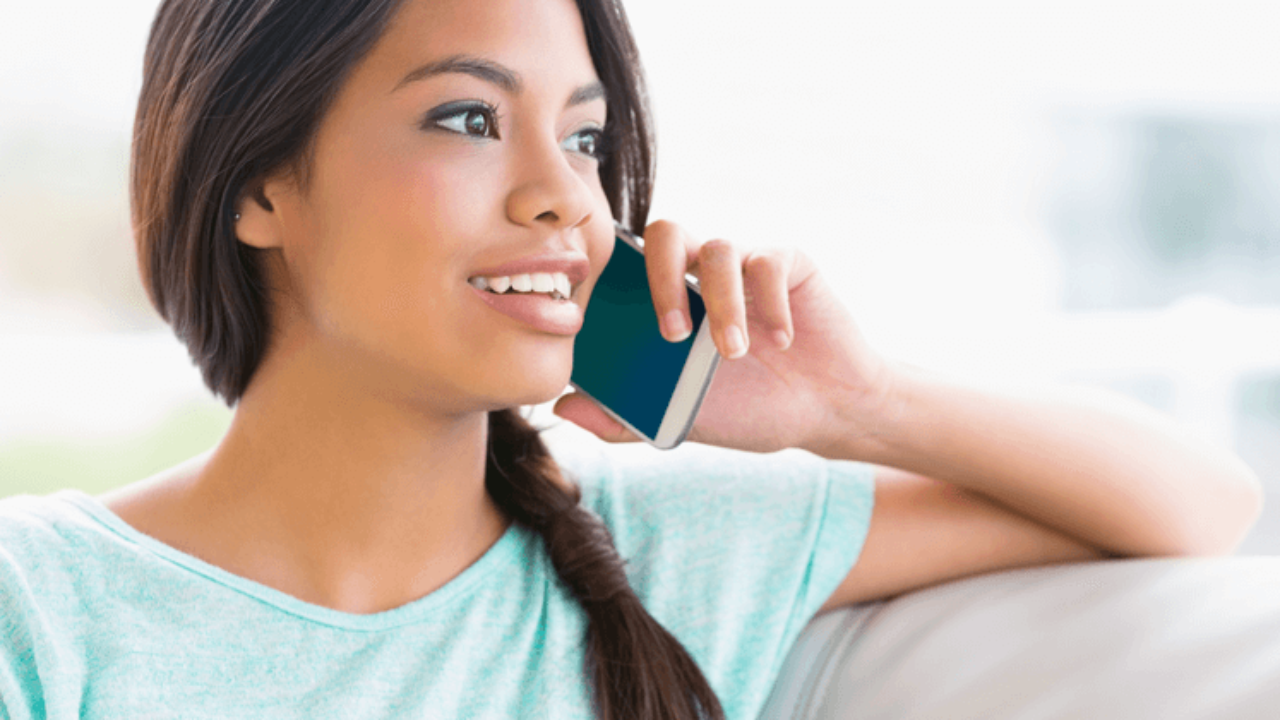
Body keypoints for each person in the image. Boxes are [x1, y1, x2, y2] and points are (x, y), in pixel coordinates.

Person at [0, 0, 1263, 717]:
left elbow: (1201, 505)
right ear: (260, 181)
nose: (566, 198)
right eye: (466, 118)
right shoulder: (42, 607)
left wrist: (854, 403)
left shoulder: (674, 559)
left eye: (591, 139)